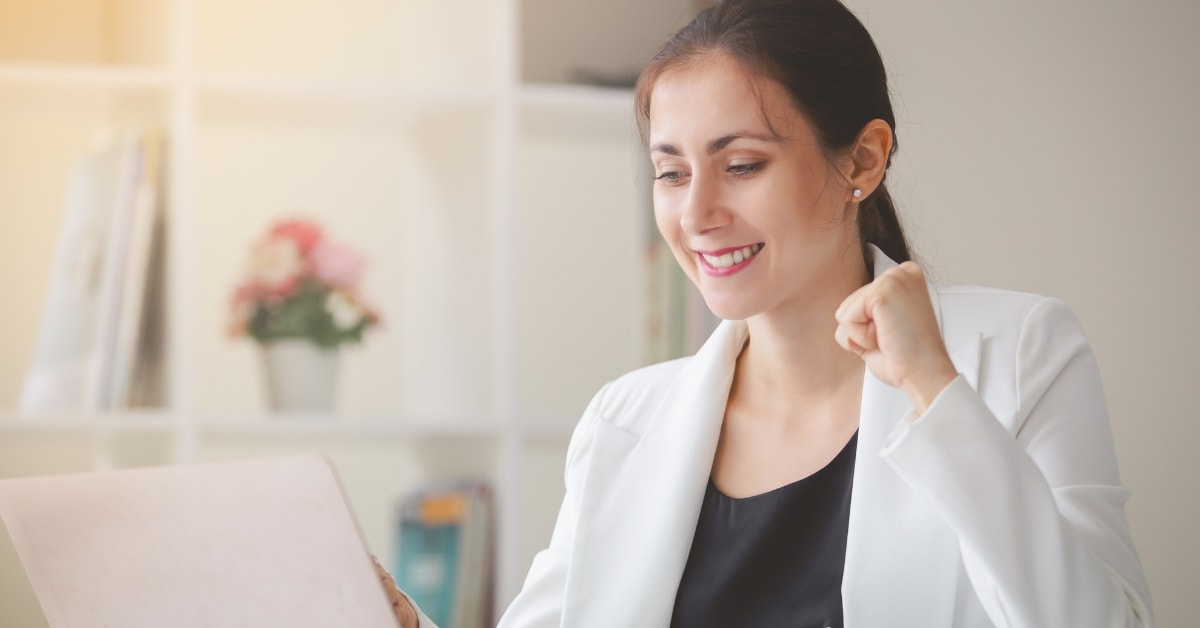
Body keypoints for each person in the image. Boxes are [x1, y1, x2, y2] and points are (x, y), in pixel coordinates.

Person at [383, 0, 1154, 625]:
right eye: (671, 172)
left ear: (862, 159)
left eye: (742, 164)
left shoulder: (1018, 353)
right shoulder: (625, 419)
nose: (697, 213)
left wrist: (936, 392)